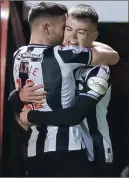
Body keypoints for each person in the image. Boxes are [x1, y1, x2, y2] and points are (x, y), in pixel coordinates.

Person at [9, 2, 119, 177]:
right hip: (59, 151)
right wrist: (18, 95)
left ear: (93, 36)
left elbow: (75, 114)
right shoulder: (57, 56)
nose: (72, 37)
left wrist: (30, 116)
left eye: (81, 32)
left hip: (95, 152)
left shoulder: (99, 69)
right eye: (67, 29)